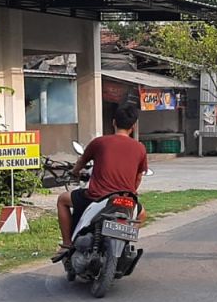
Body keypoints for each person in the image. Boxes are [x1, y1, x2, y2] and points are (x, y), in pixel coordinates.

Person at [53, 104, 150, 260]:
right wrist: (131, 191)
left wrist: (74, 172)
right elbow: (139, 176)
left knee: (62, 200)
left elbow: (81, 161)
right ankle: (125, 240)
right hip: (126, 198)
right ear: (133, 126)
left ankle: (66, 244)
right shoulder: (140, 148)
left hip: (96, 197)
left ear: (113, 122)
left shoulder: (100, 142)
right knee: (142, 214)